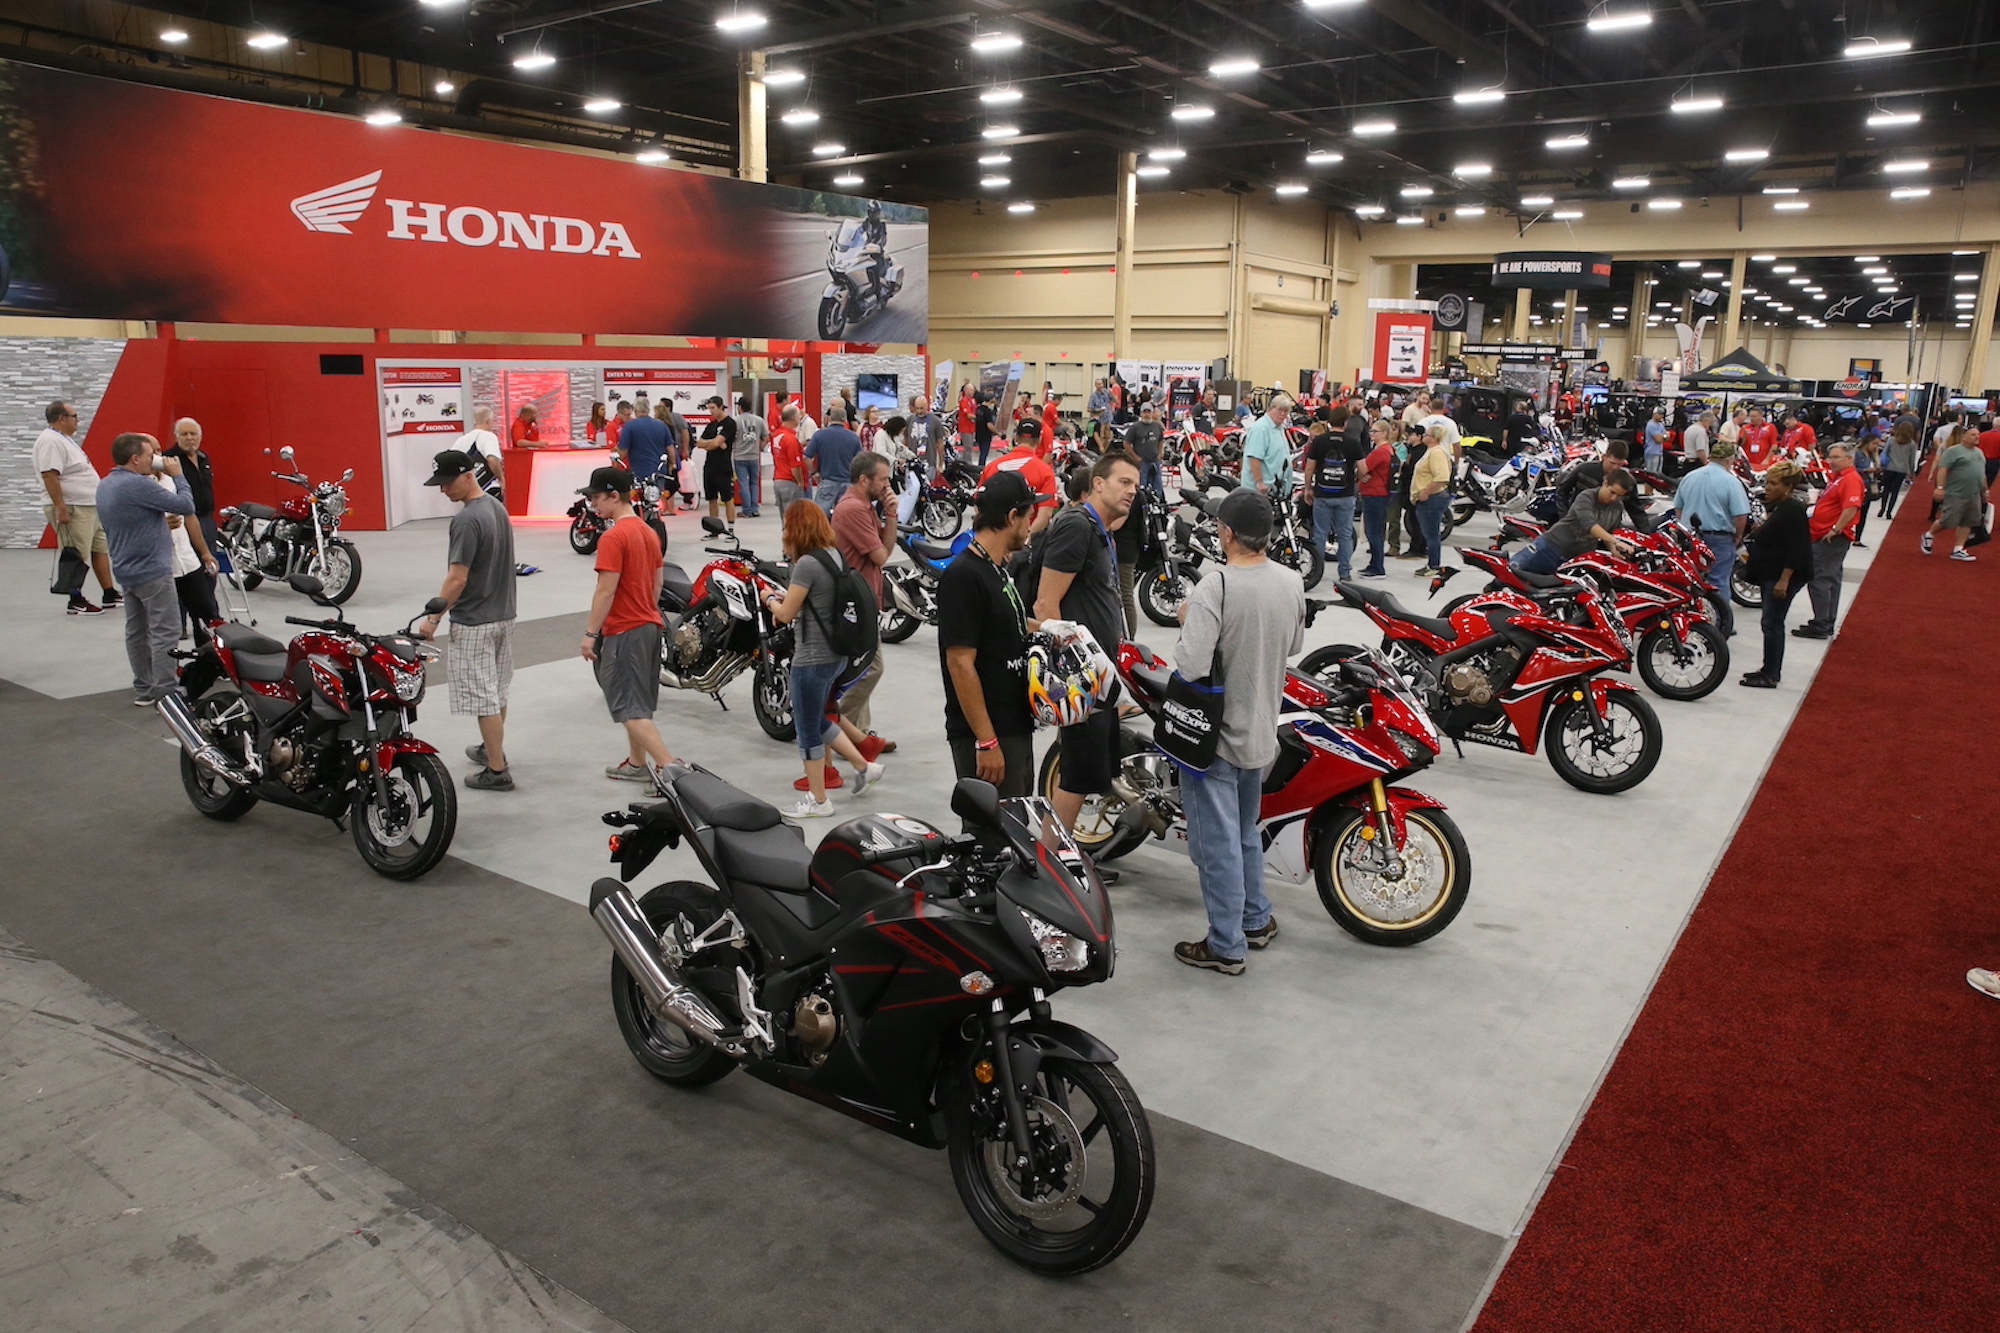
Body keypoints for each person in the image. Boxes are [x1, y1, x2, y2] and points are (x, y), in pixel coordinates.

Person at [1171, 490, 1306, 975]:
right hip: (1261, 732)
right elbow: (1294, 644)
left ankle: (1226, 945)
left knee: (1217, 844)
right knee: (1247, 832)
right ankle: (1256, 919)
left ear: (1226, 533)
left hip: (1216, 739)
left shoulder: (1216, 586)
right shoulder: (1291, 582)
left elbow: (1190, 664)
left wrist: (1190, 620)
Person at [1034, 453, 1140, 854]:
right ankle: (1049, 860)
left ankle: (1060, 853)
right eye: (1123, 482)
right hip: (1084, 677)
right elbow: (1046, 606)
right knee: (1077, 773)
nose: (1132, 490)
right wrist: (1074, 678)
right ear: (1097, 483)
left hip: (1101, 674)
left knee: (1088, 769)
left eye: (1135, 484)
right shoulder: (1077, 527)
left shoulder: (1100, 531)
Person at [765, 501, 882, 818]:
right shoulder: (834, 556)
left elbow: (787, 613)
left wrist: (770, 599)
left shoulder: (805, 565)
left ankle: (819, 801)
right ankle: (863, 766)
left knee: (806, 730)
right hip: (837, 656)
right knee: (817, 718)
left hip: (812, 659)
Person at [418, 450, 518, 791]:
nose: (443, 490)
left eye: (447, 483)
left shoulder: (466, 520)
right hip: (504, 614)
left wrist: (433, 617)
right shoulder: (496, 507)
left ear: (468, 475)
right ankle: (494, 747)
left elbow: (457, 577)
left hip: (475, 620)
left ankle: (496, 768)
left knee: (483, 697)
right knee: (497, 690)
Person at [578, 467, 680, 782]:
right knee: (640, 703)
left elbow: (605, 590)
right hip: (649, 627)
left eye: (596, 497)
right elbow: (657, 583)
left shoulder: (613, 537)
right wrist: (646, 610)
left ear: (614, 496)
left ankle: (670, 770)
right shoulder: (649, 532)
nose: (593, 504)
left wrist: (590, 634)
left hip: (625, 630)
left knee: (627, 707)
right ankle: (638, 764)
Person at [95, 433, 193, 705]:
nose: (156, 460)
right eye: (151, 455)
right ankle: (167, 692)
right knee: (166, 632)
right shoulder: (139, 485)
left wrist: (159, 524)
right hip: (152, 571)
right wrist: (178, 476)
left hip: (126, 571)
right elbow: (186, 505)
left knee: (137, 632)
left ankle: (145, 689)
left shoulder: (105, 485)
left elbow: (130, 522)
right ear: (135, 458)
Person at [831, 452, 898, 751]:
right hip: (855, 604)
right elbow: (882, 556)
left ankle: (860, 732)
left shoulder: (866, 506)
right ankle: (841, 734)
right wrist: (891, 515)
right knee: (870, 668)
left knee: (862, 670)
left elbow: (886, 547)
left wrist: (891, 514)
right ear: (863, 480)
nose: (887, 486)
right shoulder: (854, 510)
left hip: (864, 600)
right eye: (882, 480)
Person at [35, 399, 120, 615]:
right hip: (72, 507)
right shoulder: (50, 441)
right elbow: (50, 475)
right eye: (74, 417)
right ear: (62, 419)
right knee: (76, 553)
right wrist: (60, 507)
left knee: (99, 548)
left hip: (88, 505)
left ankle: (109, 592)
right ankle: (75, 598)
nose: (77, 421)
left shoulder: (63, 439)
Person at [1738, 460, 1813, 689]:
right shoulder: (1781, 507)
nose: (1768, 488)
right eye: (1767, 483)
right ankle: (1768, 668)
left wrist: (1784, 580)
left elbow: (1796, 548)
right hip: (1772, 573)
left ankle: (1771, 673)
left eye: (1773, 484)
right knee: (1769, 622)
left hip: (1781, 576)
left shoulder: (1791, 510)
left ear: (1787, 486)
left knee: (1772, 623)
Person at [1672, 439, 1750, 637]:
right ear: (1730, 460)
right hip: (1720, 538)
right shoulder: (1731, 481)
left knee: (1689, 580)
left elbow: (1678, 508)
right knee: (1719, 581)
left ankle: (1688, 621)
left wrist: (1685, 532)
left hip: (1690, 539)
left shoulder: (1690, 477)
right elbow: (1740, 516)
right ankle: (1722, 624)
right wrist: (1738, 536)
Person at [152, 446, 220, 649]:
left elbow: (189, 515)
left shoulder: (171, 479)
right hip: (160, 565)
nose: (157, 456)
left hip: (186, 559)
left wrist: (205, 552)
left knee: (208, 612)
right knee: (165, 622)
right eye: (151, 452)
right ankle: (166, 672)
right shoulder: (138, 486)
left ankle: (211, 659)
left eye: (157, 450)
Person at [1794, 443, 1864, 639]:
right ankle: (1825, 621)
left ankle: (1821, 623)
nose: (1830, 461)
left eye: (1835, 457)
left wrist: (1836, 529)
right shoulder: (1840, 479)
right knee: (1831, 579)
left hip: (1831, 538)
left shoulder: (1850, 480)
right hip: (1825, 535)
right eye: (1830, 457)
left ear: (1849, 459)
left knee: (1820, 579)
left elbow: (1851, 507)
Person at [1511, 469, 1636, 576]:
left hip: (1576, 559)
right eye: (1612, 492)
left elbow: (1608, 533)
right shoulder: (1586, 497)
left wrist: (1613, 549)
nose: (1614, 498)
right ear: (1605, 484)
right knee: (1511, 572)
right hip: (1550, 547)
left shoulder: (1617, 506)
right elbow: (1589, 525)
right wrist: (1616, 541)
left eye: (1619, 496)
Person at [1304, 410, 1364, 584]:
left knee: (1320, 533)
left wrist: (1308, 489)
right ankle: (1344, 573)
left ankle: (1317, 571)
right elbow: (1364, 468)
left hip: (1323, 494)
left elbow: (1309, 468)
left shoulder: (1320, 441)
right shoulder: (1353, 443)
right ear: (1345, 423)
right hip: (1345, 495)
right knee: (1344, 534)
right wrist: (1355, 482)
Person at [166, 416, 225, 575]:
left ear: (200, 436)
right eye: (184, 434)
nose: (189, 438)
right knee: (193, 572)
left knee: (211, 569)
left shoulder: (204, 458)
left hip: (207, 521)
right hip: (185, 521)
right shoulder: (170, 460)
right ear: (176, 436)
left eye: (193, 434)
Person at [982, 420, 1062, 534]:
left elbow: (979, 505)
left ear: (1016, 438)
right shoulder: (1045, 471)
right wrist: (1026, 537)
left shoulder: (992, 467)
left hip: (995, 538)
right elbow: (1045, 515)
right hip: (1027, 541)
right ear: (1039, 440)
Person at [1923, 427, 1988, 563]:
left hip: (1974, 493)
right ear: (1964, 437)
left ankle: (1958, 549)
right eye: (1973, 435)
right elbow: (1942, 469)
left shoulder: (1980, 453)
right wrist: (1940, 488)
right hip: (1956, 493)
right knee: (1947, 521)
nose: (1977, 437)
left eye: (1978, 434)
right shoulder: (1953, 451)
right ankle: (1929, 535)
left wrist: (1985, 491)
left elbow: (1981, 473)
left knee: (1969, 521)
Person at [1408, 423, 1455, 576]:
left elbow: (1442, 477)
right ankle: (1431, 564)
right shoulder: (1431, 451)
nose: (1424, 437)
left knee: (1432, 533)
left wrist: (1426, 492)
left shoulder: (1437, 453)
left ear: (1434, 438)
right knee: (1429, 532)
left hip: (1433, 498)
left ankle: (1434, 565)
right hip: (1428, 498)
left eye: (1427, 435)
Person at [1356, 417, 1394, 579]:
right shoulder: (1387, 450)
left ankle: (1378, 567)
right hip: (1379, 493)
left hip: (1375, 493)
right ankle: (1374, 564)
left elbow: (1363, 467)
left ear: (1384, 433)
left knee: (1373, 531)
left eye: (1375, 431)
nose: (1371, 433)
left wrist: (1360, 475)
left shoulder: (1381, 451)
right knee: (1376, 530)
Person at [805, 406, 863, 511]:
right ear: (845, 420)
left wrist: (814, 473)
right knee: (845, 515)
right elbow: (860, 461)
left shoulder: (819, 435)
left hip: (827, 481)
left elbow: (806, 457)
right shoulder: (853, 437)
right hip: (847, 482)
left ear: (830, 419)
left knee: (820, 515)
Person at [696, 396, 740, 526]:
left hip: (723, 467)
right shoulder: (711, 425)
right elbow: (699, 443)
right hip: (709, 466)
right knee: (711, 498)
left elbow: (716, 443)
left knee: (727, 498)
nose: (711, 411)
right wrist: (714, 443)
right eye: (709, 408)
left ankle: (731, 528)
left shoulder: (730, 423)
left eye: (713, 408)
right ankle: (714, 528)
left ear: (721, 407)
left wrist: (714, 443)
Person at [616, 397, 670, 499]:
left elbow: (623, 452)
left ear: (635, 410)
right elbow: (670, 448)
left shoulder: (629, 426)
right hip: (659, 471)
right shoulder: (661, 425)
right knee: (657, 500)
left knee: (639, 502)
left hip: (638, 472)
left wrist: (615, 466)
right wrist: (672, 465)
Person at [1241, 395, 1294, 496]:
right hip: (1261, 491)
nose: (1283, 414)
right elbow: (1254, 458)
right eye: (1280, 410)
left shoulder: (1279, 428)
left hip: (1276, 488)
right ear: (1271, 408)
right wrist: (1259, 482)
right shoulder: (1261, 429)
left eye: (1286, 411)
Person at [455, 406, 507, 501]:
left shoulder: (462, 440)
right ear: (488, 421)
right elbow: (492, 459)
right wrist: (501, 478)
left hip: (468, 490)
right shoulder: (489, 436)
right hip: (488, 488)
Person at [732, 395, 769, 518]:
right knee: (754, 483)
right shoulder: (759, 420)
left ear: (740, 407)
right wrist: (760, 448)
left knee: (743, 483)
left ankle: (746, 510)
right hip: (754, 456)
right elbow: (766, 437)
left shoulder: (735, 421)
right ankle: (755, 508)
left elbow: (731, 439)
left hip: (740, 456)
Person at [771, 405, 809, 511]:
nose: (800, 418)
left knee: (785, 517)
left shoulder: (777, 435)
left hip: (778, 478)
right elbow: (795, 466)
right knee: (794, 517)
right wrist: (800, 482)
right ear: (793, 418)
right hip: (789, 482)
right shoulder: (791, 439)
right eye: (798, 415)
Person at [1879, 420, 1918, 518]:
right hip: (1902, 470)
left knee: (1886, 489)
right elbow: (1911, 460)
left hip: (1889, 467)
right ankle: (1889, 512)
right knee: (1895, 491)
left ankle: (1882, 509)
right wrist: (1912, 472)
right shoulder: (1912, 444)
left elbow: (1885, 452)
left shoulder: (1891, 440)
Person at [1125, 403, 1165, 494]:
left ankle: (1157, 504)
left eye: (1149, 412)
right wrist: (1135, 457)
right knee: (1141, 488)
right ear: (1141, 413)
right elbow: (1126, 443)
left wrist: (1160, 453)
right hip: (1142, 462)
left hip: (1155, 461)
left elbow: (1160, 440)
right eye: (1144, 412)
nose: (1147, 414)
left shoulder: (1157, 426)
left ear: (1152, 413)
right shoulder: (1135, 427)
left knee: (1158, 486)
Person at [1641, 407, 1668, 476]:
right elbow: (1658, 440)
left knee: (1659, 475)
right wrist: (1664, 437)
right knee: (1651, 475)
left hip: (1659, 453)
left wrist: (1664, 437)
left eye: (1662, 414)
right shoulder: (1651, 425)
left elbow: (1668, 437)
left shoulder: (1661, 425)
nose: (1661, 416)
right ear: (1654, 414)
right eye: (1659, 414)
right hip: (1652, 453)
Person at [974, 392, 997, 469]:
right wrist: (998, 433)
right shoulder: (987, 411)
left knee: (982, 453)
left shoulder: (978, 409)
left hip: (979, 433)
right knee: (984, 454)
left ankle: (980, 467)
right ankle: (980, 469)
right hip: (986, 435)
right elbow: (989, 425)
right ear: (991, 400)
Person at [957, 384, 977, 457]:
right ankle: (967, 463)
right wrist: (978, 417)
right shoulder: (964, 401)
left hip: (972, 427)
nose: (973, 392)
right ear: (966, 391)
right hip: (965, 428)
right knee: (968, 447)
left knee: (970, 447)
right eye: (971, 390)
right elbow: (969, 415)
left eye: (973, 390)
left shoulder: (973, 401)